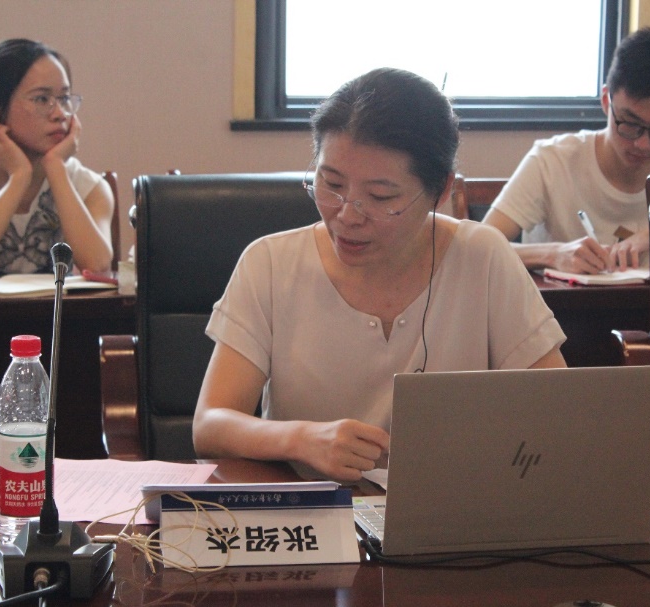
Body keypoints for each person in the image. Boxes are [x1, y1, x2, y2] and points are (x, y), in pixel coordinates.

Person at [193, 68, 567, 482]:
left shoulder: (483, 257)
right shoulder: (269, 264)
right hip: (310, 511)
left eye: (380, 197)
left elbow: (560, 413)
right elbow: (210, 424)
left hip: (448, 510)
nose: (348, 215)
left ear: (442, 191)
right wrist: (302, 439)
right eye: (331, 184)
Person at [483, 27, 650, 274]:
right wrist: (552, 254)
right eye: (631, 124)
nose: (643, 144)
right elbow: (481, 247)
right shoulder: (552, 161)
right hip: (560, 300)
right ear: (606, 101)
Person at [0, 38, 113, 278]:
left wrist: (56, 168)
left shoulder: (91, 188)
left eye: (64, 99)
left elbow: (97, 266)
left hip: (57, 305)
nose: (60, 114)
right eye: (41, 99)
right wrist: (19, 178)